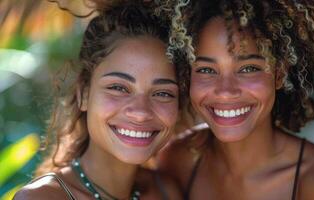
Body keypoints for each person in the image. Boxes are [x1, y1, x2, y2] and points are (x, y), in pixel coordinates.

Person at [156, 0, 314, 199]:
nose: (226, 91)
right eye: (206, 70)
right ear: (187, 76)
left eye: (248, 69)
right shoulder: (178, 160)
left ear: (279, 74)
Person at [14, 1, 186, 199]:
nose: (141, 112)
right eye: (118, 88)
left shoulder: (166, 190)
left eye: (162, 93)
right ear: (84, 94)